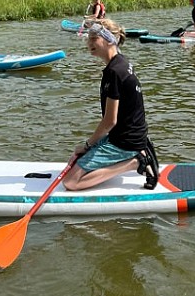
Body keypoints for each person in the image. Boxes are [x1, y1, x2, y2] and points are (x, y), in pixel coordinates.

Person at [63, 19, 158, 191]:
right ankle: (138, 154)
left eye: (94, 38)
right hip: (130, 136)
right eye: (88, 38)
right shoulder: (121, 62)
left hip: (125, 141)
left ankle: (136, 161)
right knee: (75, 158)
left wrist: (87, 145)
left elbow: (109, 122)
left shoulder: (114, 72)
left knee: (70, 182)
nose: (88, 43)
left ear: (108, 39)